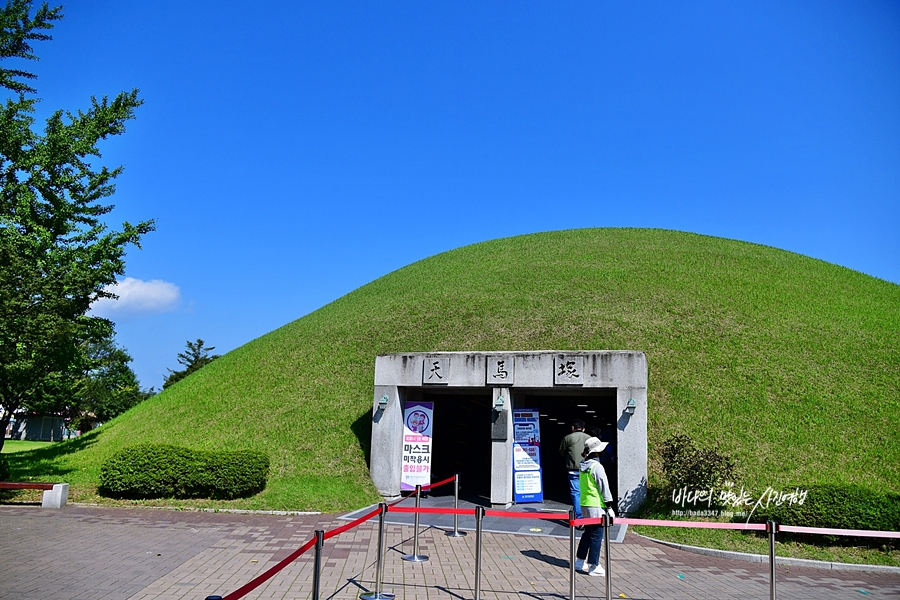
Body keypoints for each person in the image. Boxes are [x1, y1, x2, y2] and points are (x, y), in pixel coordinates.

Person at [575, 436, 615, 577]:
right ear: (597, 452)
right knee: (597, 535)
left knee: (588, 533)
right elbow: (604, 487)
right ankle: (593, 565)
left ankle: (580, 562)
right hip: (596, 505)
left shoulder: (583, 465)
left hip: (585, 504)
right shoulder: (597, 467)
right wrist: (609, 506)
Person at [559, 418, 590, 519]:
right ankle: (588, 515)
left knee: (576, 493)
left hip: (573, 470)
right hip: (587, 469)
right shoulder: (589, 438)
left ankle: (580, 517)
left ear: (573, 428)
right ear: (583, 429)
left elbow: (561, 452)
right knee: (587, 491)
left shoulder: (568, 438)